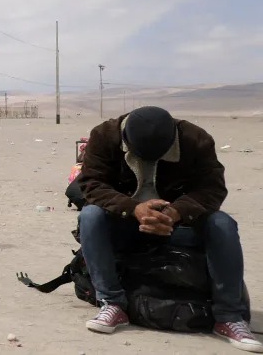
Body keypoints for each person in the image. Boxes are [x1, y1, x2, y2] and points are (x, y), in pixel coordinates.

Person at [78, 106, 259, 352]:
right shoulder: (104, 135)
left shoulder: (196, 140)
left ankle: (228, 317)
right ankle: (112, 303)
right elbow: (91, 184)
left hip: (178, 226)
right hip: (126, 224)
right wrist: (134, 209)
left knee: (222, 223)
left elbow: (213, 188)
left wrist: (177, 212)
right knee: (90, 216)